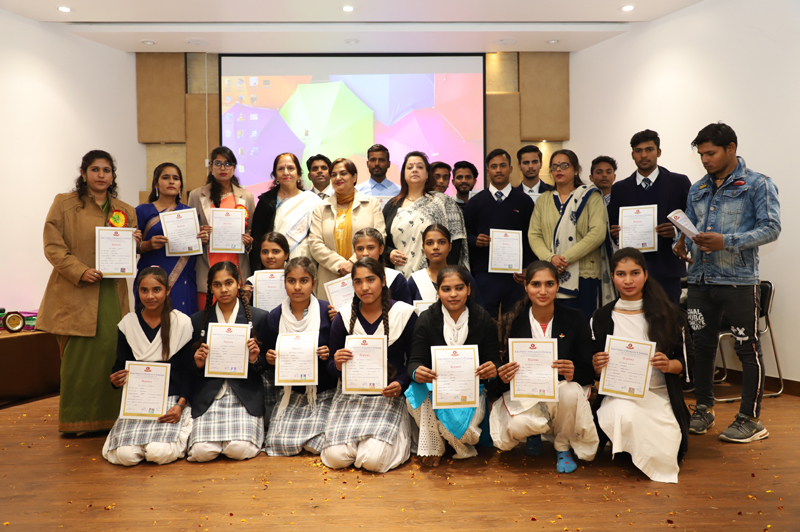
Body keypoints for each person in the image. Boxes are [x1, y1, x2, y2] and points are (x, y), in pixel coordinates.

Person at [674, 122, 781, 443]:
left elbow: (771, 228)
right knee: (702, 347)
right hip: (699, 281)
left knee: (747, 349)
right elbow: (691, 228)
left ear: (731, 148)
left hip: (738, 283)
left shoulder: (758, 184)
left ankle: (750, 419)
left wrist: (727, 241)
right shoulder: (698, 188)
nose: (705, 160)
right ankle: (703, 409)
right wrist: (681, 242)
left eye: (711, 153)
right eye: (701, 154)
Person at [36, 150, 141, 433]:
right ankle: (76, 421)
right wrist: (79, 270)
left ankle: (112, 419)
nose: (101, 175)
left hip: (112, 293)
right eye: (95, 169)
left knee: (112, 352)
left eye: (107, 170)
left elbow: (127, 254)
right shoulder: (64, 203)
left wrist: (134, 243)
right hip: (76, 290)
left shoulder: (126, 210)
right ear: (83, 174)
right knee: (79, 359)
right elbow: (53, 246)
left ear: (112, 176)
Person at [591, 248, 692, 483]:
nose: (628, 281)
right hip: (619, 395)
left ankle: (631, 448)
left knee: (666, 450)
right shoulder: (601, 317)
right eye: (621, 274)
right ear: (612, 277)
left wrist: (669, 365)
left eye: (634, 273)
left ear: (645, 275)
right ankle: (627, 446)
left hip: (659, 395)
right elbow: (591, 370)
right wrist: (596, 365)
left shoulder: (671, 315)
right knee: (624, 414)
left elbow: (689, 364)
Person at [489, 261, 598, 473]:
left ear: (558, 285)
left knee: (569, 391)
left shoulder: (575, 318)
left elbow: (588, 373)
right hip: (527, 395)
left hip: (562, 395)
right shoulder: (514, 321)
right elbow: (500, 383)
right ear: (526, 286)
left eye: (549, 284)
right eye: (536, 284)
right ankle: (534, 433)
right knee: (516, 427)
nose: (542, 291)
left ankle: (562, 446)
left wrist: (573, 372)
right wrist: (503, 376)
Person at [322, 258, 417, 472]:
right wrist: (337, 364)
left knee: (373, 461)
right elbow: (330, 368)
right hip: (350, 398)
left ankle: (375, 444)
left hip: (388, 397)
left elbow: (414, 361)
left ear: (383, 281)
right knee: (336, 459)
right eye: (358, 282)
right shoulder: (343, 317)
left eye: (370, 280)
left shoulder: (403, 314)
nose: (364, 287)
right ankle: (360, 444)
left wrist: (401, 384)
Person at [406, 265, 499, 466]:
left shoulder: (483, 319)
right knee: (415, 391)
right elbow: (414, 361)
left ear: (469, 289)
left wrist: (493, 368)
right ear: (438, 291)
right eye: (446, 289)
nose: (453, 294)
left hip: (471, 390)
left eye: (459, 288)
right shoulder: (426, 319)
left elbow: (494, 360)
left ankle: (452, 440)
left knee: (468, 434)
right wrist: (416, 372)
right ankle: (435, 446)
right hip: (437, 388)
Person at [102, 267, 195, 466]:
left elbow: (188, 372)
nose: (150, 296)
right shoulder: (128, 324)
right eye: (144, 290)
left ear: (168, 290)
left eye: (156, 290)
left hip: (171, 402)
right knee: (125, 456)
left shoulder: (182, 323)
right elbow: (120, 366)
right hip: (138, 404)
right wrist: (115, 379)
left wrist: (180, 405)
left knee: (158, 452)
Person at [187, 262, 270, 462]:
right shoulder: (198, 320)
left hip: (245, 395)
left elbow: (266, 365)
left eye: (228, 283)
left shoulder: (259, 317)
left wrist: (255, 360)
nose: (223, 289)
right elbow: (188, 368)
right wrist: (198, 363)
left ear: (239, 283)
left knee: (239, 450)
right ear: (210, 288)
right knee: (201, 452)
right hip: (211, 395)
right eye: (217, 285)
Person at [527, 149, 614, 322]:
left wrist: (564, 259)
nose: (559, 169)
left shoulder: (590, 196)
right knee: (556, 327)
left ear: (576, 170)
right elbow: (534, 234)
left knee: (582, 326)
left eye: (564, 165)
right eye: (554, 166)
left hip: (584, 276)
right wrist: (550, 259)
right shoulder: (543, 200)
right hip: (550, 276)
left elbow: (597, 234)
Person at [263, 257, 338, 456]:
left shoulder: (328, 313)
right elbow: (268, 359)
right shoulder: (274, 317)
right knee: (278, 444)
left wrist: (329, 354)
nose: (297, 287)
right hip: (291, 394)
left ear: (314, 283)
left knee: (318, 445)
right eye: (291, 281)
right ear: (284, 283)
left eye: (304, 281)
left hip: (323, 393)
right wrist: (270, 359)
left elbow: (339, 356)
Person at [608, 130, 691, 305]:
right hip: (631, 271)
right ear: (632, 154)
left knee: (668, 318)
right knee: (633, 318)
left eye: (649, 150)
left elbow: (692, 221)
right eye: (638, 151)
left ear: (658, 152)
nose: (644, 155)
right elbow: (613, 224)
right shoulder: (620, 188)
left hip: (667, 269)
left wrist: (675, 231)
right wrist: (615, 234)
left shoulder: (679, 183)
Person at [464, 148, 535, 318]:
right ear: (488, 171)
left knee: (516, 320)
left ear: (510, 169)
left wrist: (528, 268)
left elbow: (532, 238)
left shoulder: (525, 201)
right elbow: (465, 235)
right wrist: (475, 241)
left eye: (502, 166)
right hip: (485, 275)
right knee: (485, 320)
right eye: (494, 166)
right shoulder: (475, 202)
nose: (498, 170)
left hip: (516, 275)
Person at [187, 146, 255, 309]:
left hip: (237, 267)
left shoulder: (246, 196)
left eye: (227, 164)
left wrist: (248, 241)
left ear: (234, 168)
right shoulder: (196, 195)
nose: (223, 168)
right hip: (206, 268)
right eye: (218, 163)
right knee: (207, 318)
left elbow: (251, 229)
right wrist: (199, 236)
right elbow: (189, 232)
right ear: (211, 167)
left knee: (236, 319)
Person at [383, 151, 469, 277]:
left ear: (428, 174)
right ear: (404, 174)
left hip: (436, 277)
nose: (414, 170)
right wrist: (389, 253)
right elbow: (381, 241)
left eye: (420, 167)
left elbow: (455, 243)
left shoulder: (443, 202)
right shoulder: (392, 205)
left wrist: (445, 275)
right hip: (399, 277)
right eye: (410, 167)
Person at [135, 162, 205, 316]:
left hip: (183, 279)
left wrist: (203, 239)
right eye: (166, 177)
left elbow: (194, 246)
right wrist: (147, 245)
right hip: (151, 279)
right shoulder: (142, 211)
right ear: (156, 183)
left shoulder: (189, 213)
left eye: (176, 178)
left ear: (180, 185)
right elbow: (130, 247)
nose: (171, 181)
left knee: (182, 324)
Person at [309, 158, 386, 296]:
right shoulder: (321, 207)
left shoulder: (371, 204)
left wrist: (353, 262)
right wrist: (341, 265)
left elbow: (379, 238)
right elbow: (315, 244)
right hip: (330, 276)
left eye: (343, 173)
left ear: (354, 177)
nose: (338, 178)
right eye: (334, 175)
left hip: (366, 274)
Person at [252, 153, 321, 264]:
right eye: (281, 169)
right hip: (273, 264)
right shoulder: (266, 202)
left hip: (305, 263)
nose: (286, 172)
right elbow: (257, 240)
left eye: (290, 168)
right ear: (275, 175)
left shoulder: (312, 201)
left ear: (298, 173)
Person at [408, 224, 483, 307]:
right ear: (423, 247)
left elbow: (478, 310)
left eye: (442, 242)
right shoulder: (415, 280)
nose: (435, 247)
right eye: (429, 243)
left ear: (450, 246)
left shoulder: (464, 276)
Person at [353, 228, 412, 304]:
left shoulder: (396, 279)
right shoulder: (347, 281)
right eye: (360, 249)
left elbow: (405, 309)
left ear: (381, 249)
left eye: (371, 248)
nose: (365, 253)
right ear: (355, 251)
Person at [242, 232, 290, 304]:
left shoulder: (296, 280)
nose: (270, 256)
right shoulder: (251, 283)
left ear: (286, 255)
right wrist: (245, 299)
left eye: (276, 251)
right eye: (265, 252)